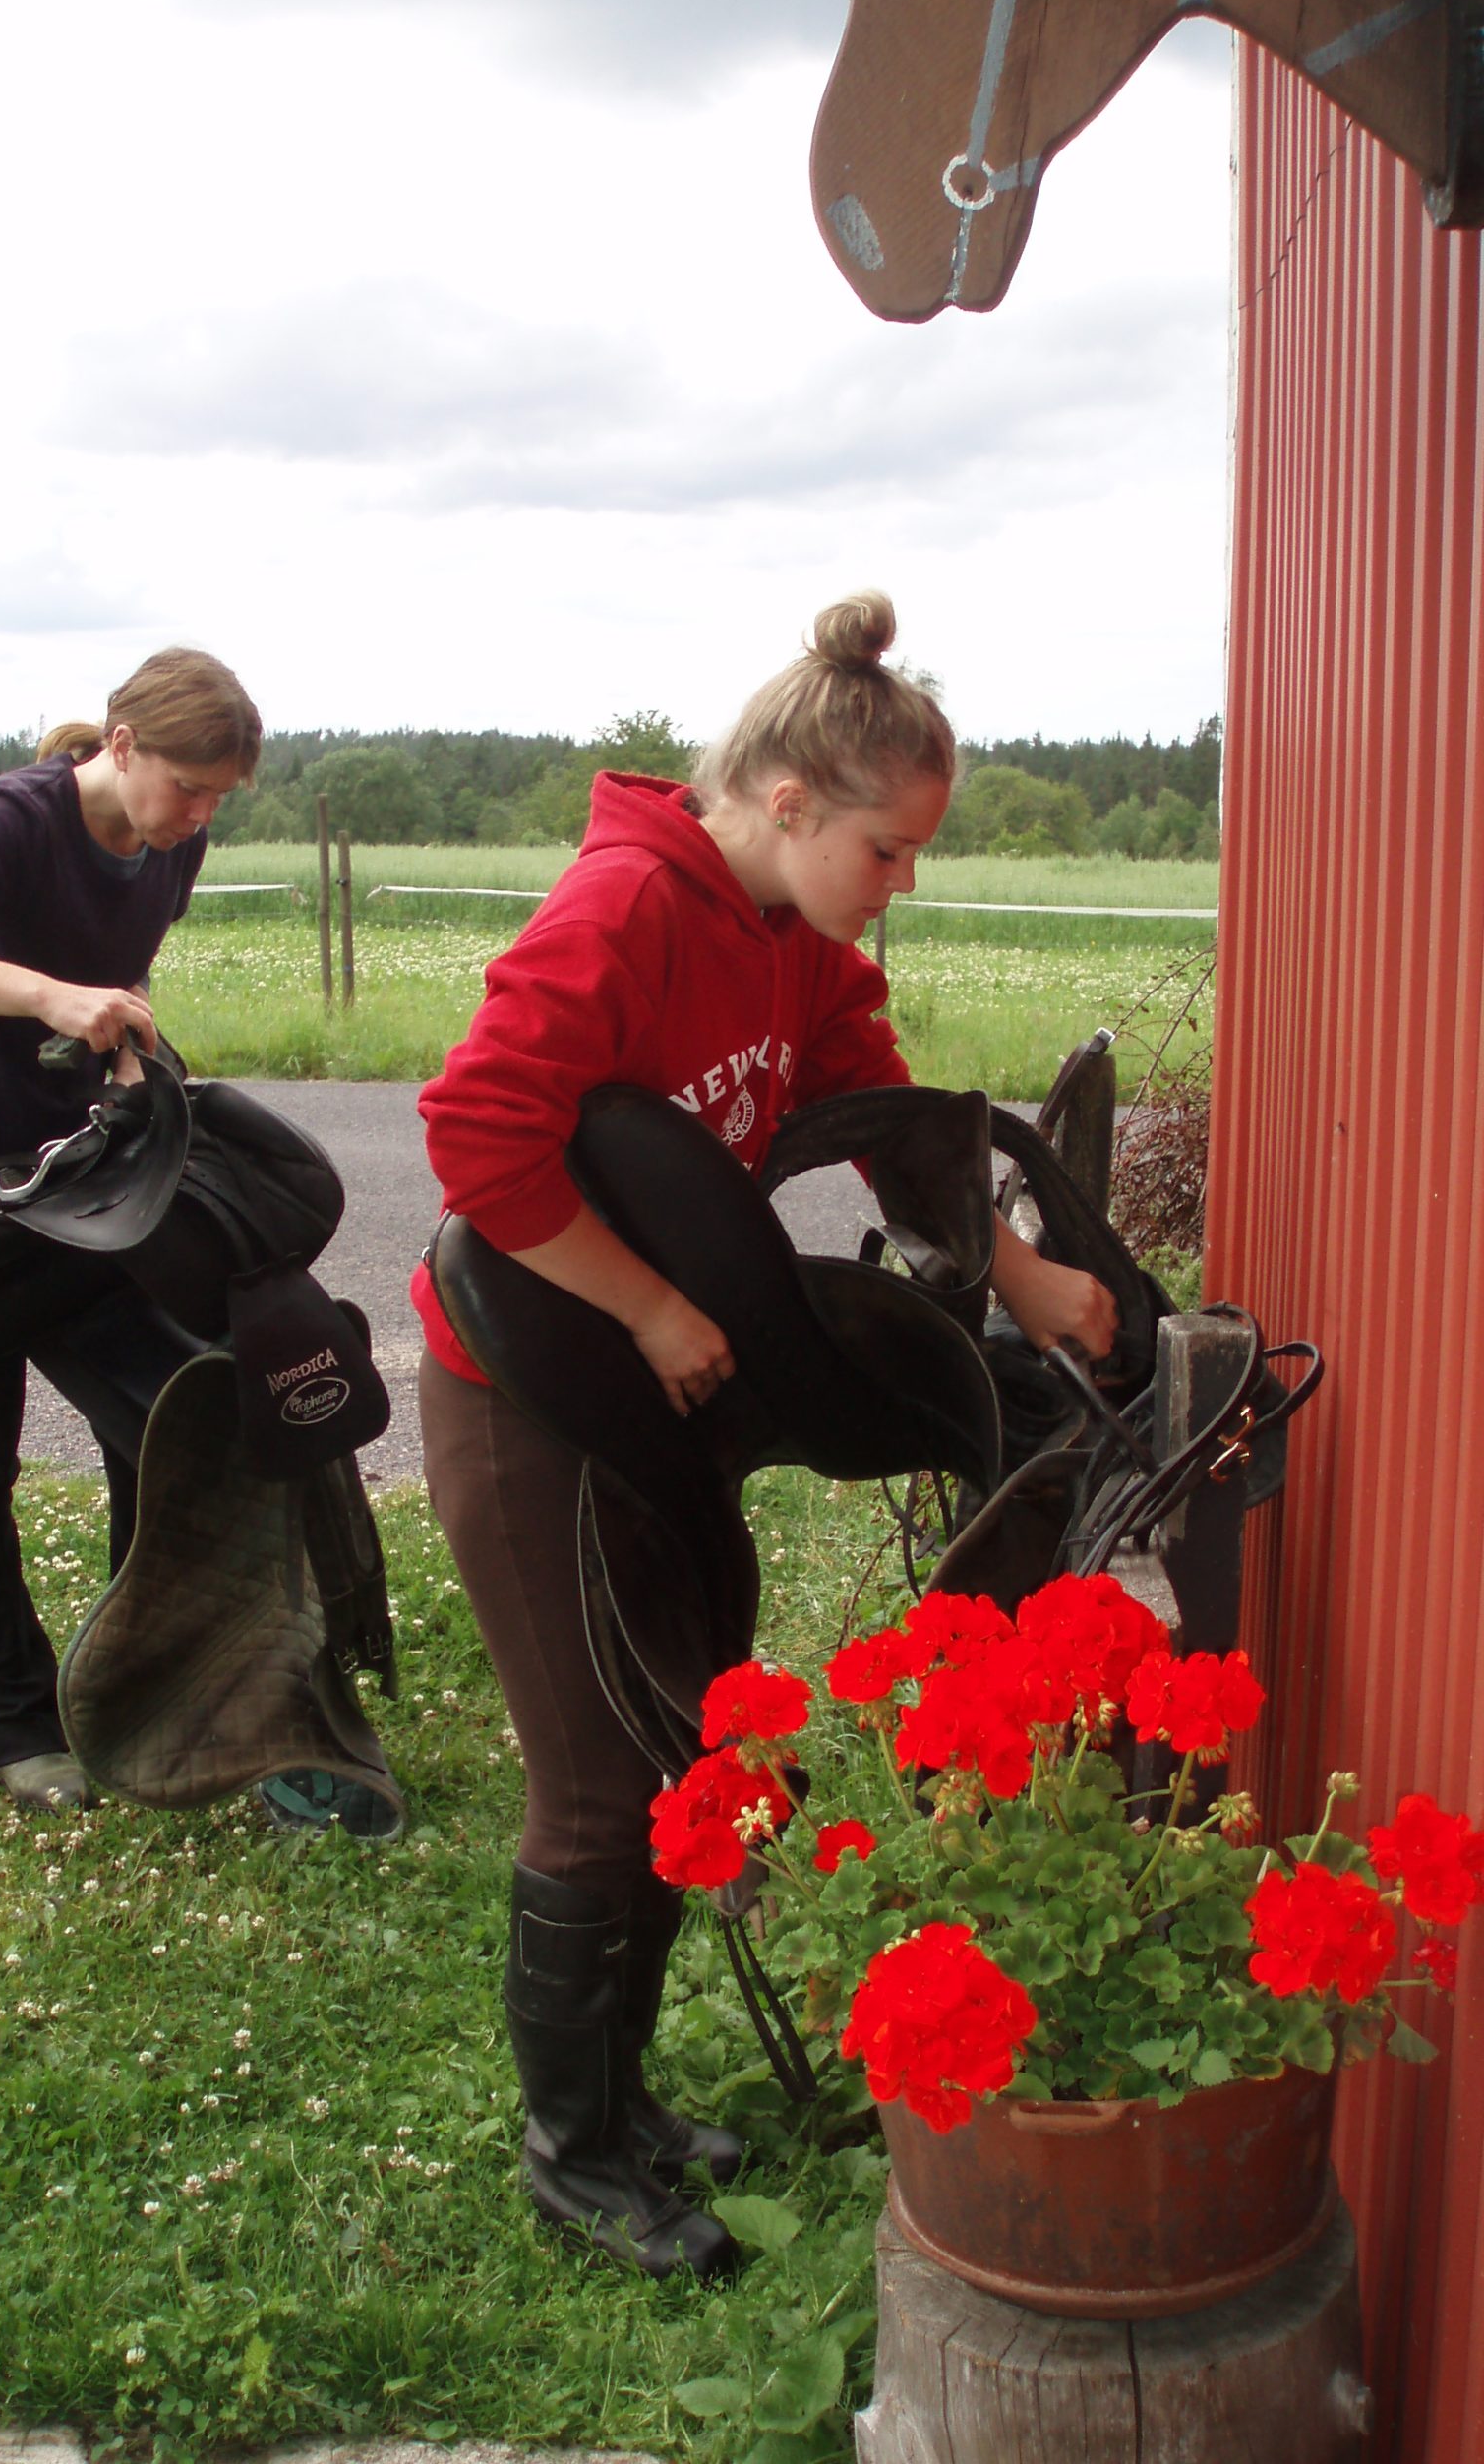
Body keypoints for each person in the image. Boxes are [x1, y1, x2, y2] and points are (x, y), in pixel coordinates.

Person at [412, 591, 1118, 2277]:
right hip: (530, 1386)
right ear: (791, 803)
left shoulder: (800, 938)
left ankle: (630, 2108)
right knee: (597, 1782)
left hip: (662, 1383)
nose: (903, 886)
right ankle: (573, 2155)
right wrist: (649, 1307)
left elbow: (879, 1115)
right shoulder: (620, 912)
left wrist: (1026, 1271)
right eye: (891, 850)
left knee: (685, 1739)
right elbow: (476, 1132)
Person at [0, 647, 258, 1812]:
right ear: (121, 748)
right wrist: (47, 993)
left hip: (74, 1176)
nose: (199, 815)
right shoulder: (15, 819)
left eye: (221, 796)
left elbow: (103, 980)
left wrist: (114, 1040)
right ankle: (16, 1726)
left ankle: (143, 1682)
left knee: (157, 1418)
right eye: (188, 785)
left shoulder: (173, 843)